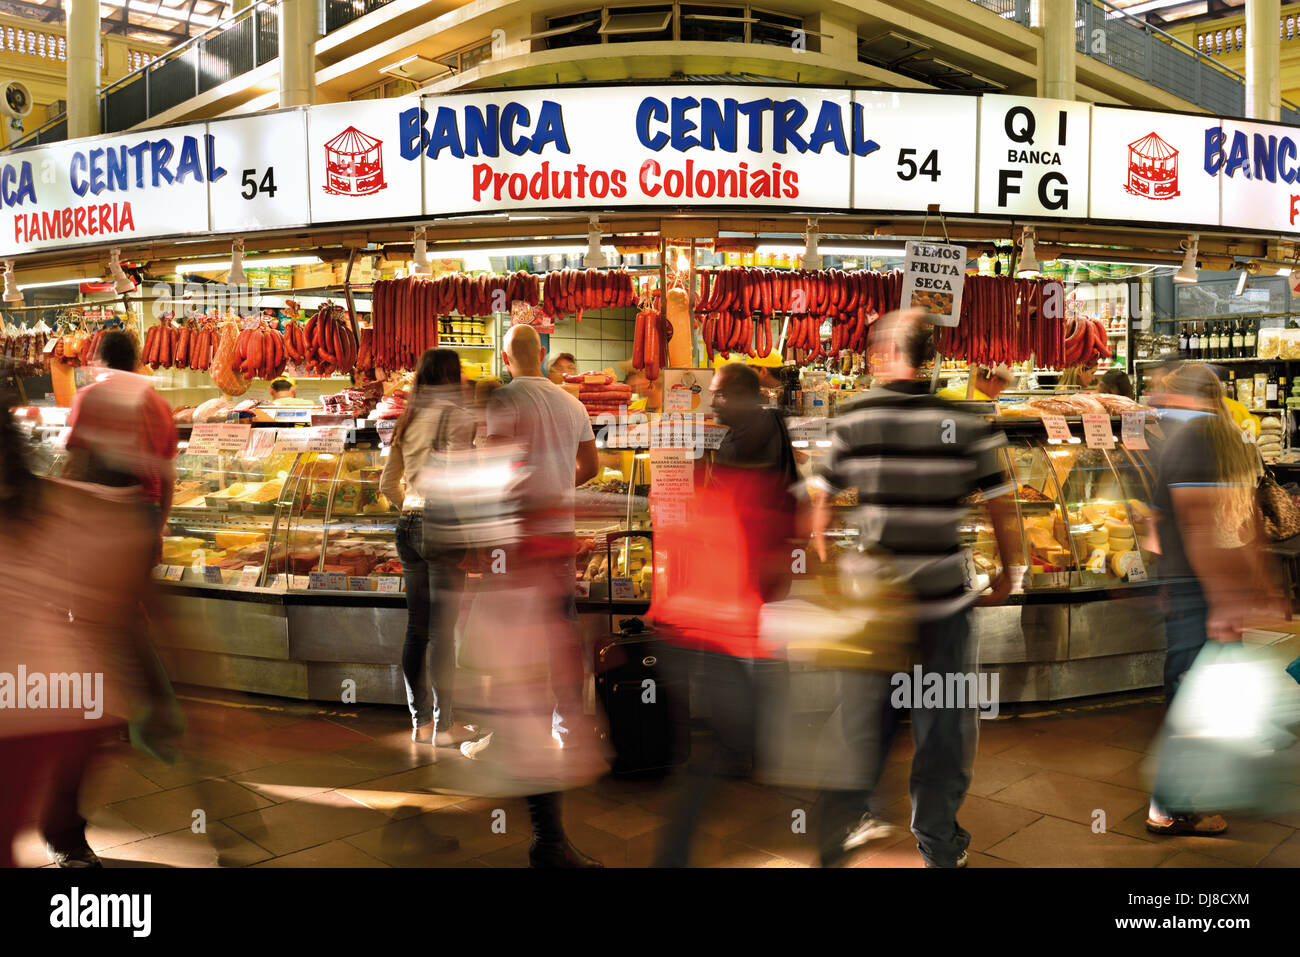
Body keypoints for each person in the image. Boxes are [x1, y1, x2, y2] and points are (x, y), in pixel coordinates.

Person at [809, 309, 1020, 868]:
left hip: (875, 603)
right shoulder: (969, 420)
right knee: (943, 726)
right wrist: (1010, 571)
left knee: (863, 719)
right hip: (944, 603)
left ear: (887, 355)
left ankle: (840, 827)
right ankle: (938, 843)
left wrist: (832, 571)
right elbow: (1004, 505)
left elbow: (820, 505)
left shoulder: (854, 416)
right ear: (930, 357)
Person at [0, 374, 160, 868]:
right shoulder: (57, 503)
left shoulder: (58, 502)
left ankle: (66, 835)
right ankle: (66, 836)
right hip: (67, 697)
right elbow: (129, 562)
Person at [651, 362, 801, 867]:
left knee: (733, 711)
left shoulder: (746, 441)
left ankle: (738, 755)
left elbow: (738, 515)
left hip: (729, 594)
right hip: (745, 590)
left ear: (742, 395)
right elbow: (785, 497)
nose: (711, 402)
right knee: (751, 682)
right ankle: (753, 747)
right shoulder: (766, 425)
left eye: (717, 394)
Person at [1144, 362, 1284, 836]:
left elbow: (1223, 520)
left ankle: (1192, 790)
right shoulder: (1213, 441)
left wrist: (1243, 589)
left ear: (1181, 396)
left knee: (1200, 691)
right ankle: (1169, 806)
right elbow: (1212, 525)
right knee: (1190, 692)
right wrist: (1245, 588)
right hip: (1196, 588)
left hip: (1194, 586)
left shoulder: (1196, 441)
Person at [480, 323, 602, 868]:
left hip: (512, 549)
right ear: (543, 354)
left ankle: (521, 746)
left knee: (521, 666)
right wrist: (557, 488)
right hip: (556, 544)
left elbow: (487, 472)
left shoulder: (502, 399)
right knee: (558, 649)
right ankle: (562, 727)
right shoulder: (570, 402)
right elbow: (592, 468)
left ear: (507, 356)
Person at [379, 348, 479, 748]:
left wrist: (411, 508)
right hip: (442, 527)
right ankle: (445, 727)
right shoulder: (457, 416)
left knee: (416, 630)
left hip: (408, 527)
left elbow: (388, 483)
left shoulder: (409, 418)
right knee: (442, 634)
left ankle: (419, 723)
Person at [61, 330, 178, 551]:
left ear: (102, 360)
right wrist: (159, 525)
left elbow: (75, 466)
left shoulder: (90, 397)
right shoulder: (161, 406)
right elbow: (168, 477)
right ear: (136, 359)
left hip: (103, 513)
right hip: (146, 514)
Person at [937, 364, 1013, 402]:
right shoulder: (985, 404)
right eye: (1002, 386)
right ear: (994, 380)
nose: (999, 392)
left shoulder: (943, 393)